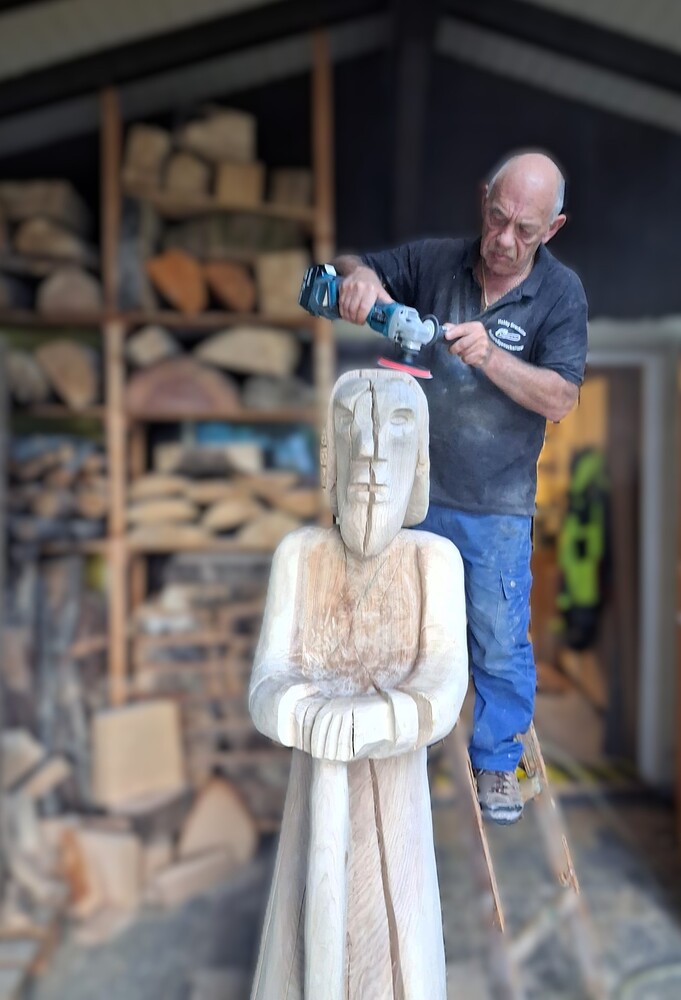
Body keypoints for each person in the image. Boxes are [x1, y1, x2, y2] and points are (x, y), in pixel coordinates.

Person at [332, 151, 588, 824]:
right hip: (410, 496)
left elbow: (560, 398)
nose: (504, 240)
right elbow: (357, 264)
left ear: (552, 229)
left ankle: (497, 763)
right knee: (399, 631)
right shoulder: (435, 262)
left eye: (524, 230)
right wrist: (362, 281)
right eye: (497, 218)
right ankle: (398, 753)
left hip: (496, 508)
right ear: (484, 200)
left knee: (498, 642)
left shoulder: (560, 296)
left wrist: (491, 358)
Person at [249, 369, 468, 1000]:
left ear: (420, 461)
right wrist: (302, 709)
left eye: (396, 430)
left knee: (396, 953)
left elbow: (444, 682)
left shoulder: (434, 561)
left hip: (396, 804)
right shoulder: (300, 555)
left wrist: (379, 718)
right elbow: (267, 678)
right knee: (300, 948)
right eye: (351, 428)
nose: (370, 452)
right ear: (330, 459)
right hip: (313, 798)